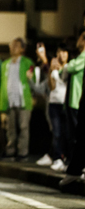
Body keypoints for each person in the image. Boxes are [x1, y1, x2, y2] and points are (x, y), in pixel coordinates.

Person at [29, 43, 68, 171]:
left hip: (66, 104)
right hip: (53, 104)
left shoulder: (70, 68)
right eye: (59, 52)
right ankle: (56, 157)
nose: (60, 55)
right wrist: (51, 69)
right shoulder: (53, 68)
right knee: (56, 132)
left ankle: (60, 156)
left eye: (63, 52)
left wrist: (45, 58)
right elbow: (50, 87)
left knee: (64, 133)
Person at [0, 38, 35, 161]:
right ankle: (10, 152)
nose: (13, 47)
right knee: (10, 128)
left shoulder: (27, 62)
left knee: (24, 127)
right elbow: (2, 85)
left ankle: (23, 153)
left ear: (22, 49)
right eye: (12, 45)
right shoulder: (5, 64)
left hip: (23, 99)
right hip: (9, 99)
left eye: (16, 45)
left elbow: (34, 79)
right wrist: (1, 105)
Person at [60, 29, 85, 165]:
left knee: (77, 135)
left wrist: (65, 66)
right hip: (72, 100)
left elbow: (71, 68)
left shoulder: (84, 56)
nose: (77, 41)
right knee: (71, 135)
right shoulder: (80, 56)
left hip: (77, 100)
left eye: (80, 38)